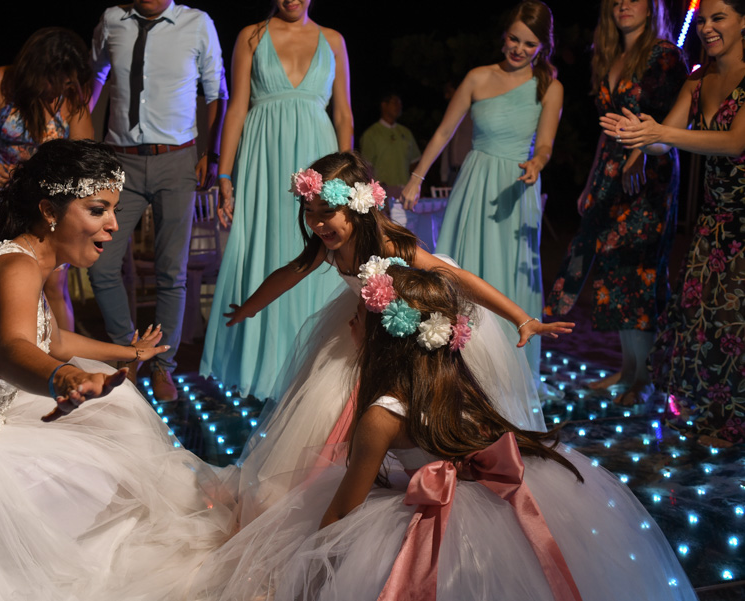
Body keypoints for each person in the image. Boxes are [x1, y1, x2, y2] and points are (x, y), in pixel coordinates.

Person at [0, 139, 236, 600]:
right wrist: (63, 377)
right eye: (98, 210)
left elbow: (50, 340)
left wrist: (127, 354)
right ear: (51, 210)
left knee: (116, 442)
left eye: (113, 210)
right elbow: (13, 349)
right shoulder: (16, 267)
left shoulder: (32, 259)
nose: (113, 224)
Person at [192, 263, 696, 601]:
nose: (348, 325)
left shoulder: (382, 413)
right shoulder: (453, 380)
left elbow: (345, 506)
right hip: (502, 499)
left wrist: (308, 567)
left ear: (384, 335)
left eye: (358, 318)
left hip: (450, 512)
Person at [227, 150, 573, 525]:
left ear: (356, 206)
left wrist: (521, 318)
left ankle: (430, 459)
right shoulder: (327, 246)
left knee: (412, 401)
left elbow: (459, 280)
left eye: (326, 213)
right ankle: (327, 484)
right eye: (309, 213)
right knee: (329, 403)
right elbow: (290, 271)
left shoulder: (389, 245)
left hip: (412, 319)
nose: (317, 224)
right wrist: (249, 307)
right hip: (369, 318)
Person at [401, 0, 563, 396]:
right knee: (461, 272)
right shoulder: (477, 78)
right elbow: (442, 132)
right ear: (503, 35)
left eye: (529, 44)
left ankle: (512, 373)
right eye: (513, 38)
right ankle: (458, 364)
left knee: (507, 275)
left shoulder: (549, 87)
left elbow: (544, 145)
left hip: (515, 189)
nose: (518, 49)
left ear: (542, 47)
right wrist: (416, 178)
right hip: (474, 186)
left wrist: (537, 164)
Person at [601, 0, 745, 446]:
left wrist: (663, 134)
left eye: (718, 18)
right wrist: (643, 136)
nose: (706, 27)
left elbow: (735, 142)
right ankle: (716, 417)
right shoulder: (698, 78)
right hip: (714, 216)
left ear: (744, 20)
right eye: (702, 20)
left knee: (735, 318)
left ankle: (735, 424)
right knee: (704, 318)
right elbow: (667, 139)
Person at [200, 0, 350, 399]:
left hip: (319, 155)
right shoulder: (252, 36)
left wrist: (346, 175)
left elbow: (344, 115)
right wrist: (225, 173)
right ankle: (263, 369)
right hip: (264, 157)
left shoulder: (333, 40)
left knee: (316, 249)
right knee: (268, 247)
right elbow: (237, 108)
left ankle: (314, 366)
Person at [544, 0, 686, 406]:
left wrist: (639, 152)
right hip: (612, 170)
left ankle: (647, 379)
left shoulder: (663, 55)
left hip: (649, 172)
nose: (625, 4)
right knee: (616, 271)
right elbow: (609, 131)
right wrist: (591, 180)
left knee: (639, 272)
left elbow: (675, 120)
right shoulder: (610, 54)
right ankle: (628, 371)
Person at [89, 0, 227, 401]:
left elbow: (216, 92)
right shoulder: (112, 20)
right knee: (101, 264)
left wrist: (210, 153)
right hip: (120, 161)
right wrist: (78, 131)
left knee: (172, 272)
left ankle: (164, 366)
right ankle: (128, 354)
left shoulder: (197, 23)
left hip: (177, 160)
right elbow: (94, 75)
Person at [0, 26, 94, 334]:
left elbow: (85, 155)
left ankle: (62, 361)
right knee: (6, 280)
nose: (61, 87)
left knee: (54, 283)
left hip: (49, 203)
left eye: (68, 81)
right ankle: (7, 356)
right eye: (56, 79)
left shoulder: (71, 100)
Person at [359, 92, 420, 226]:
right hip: (383, 191)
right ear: (384, 105)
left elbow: (415, 162)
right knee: (387, 228)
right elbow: (366, 167)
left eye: (400, 103)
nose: (399, 106)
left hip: (405, 190)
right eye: (394, 102)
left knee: (408, 228)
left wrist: (415, 184)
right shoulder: (371, 134)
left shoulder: (405, 132)